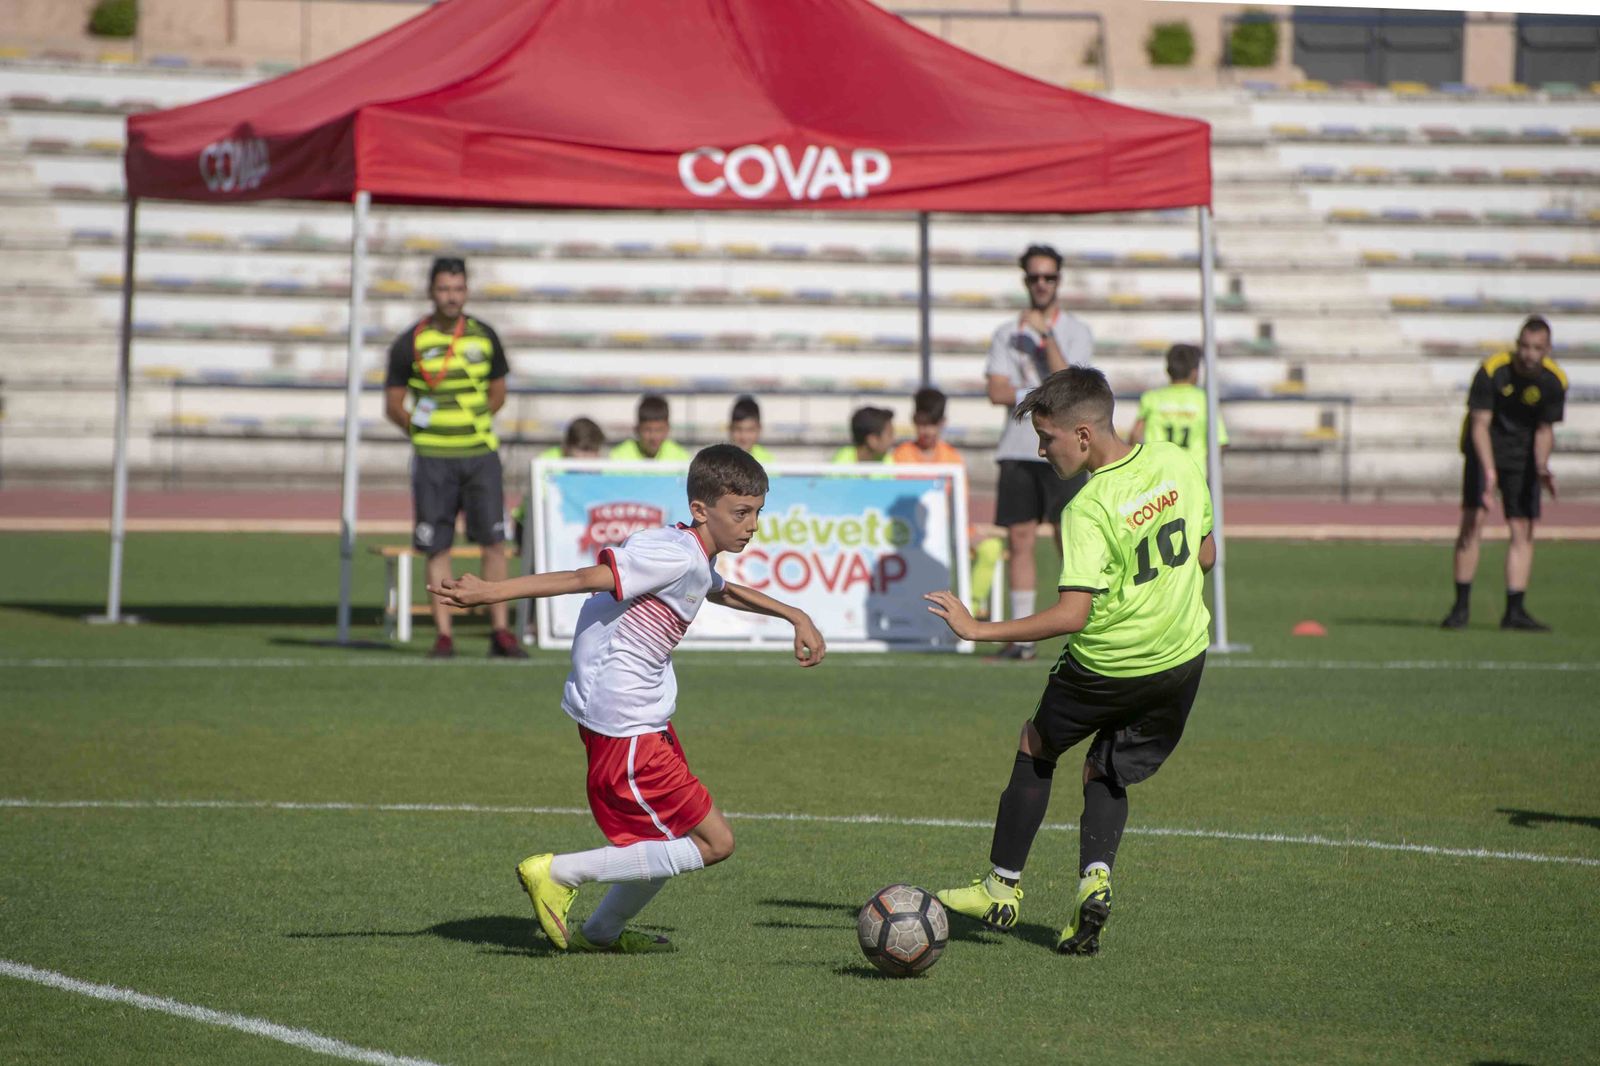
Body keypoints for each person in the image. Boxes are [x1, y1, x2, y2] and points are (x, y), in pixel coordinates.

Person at [427, 445, 826, 953]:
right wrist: (491, 592)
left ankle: (602, 932)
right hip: (625, 720)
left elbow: (717, 588)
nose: (752, 526)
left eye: (757, 513)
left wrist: (796, 614)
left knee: (666, 838)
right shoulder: (672, 553)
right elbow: (582, 579)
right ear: (701, 510)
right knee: (713, 843)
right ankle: (559, 874)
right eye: (741, 513)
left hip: (639, 715)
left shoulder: (690, 555)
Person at [924, 366, 1214, 957]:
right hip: (1182, 659)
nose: (1040, 449)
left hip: (1107, 664)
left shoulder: (1085, 509)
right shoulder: (1176, 463)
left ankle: (1001, 889)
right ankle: (1094, 880)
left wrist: (980, 628)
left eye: (1047, 437)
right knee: (1106, 766)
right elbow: (1205, 554)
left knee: (1037, 745)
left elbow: (1072, 615)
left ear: (1083, 435)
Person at [383, 255, 525, 660]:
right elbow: (393, 403)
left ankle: (500, 632)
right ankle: (444, 636)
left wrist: (469, 424)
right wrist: (425, 432)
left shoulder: (484, 336)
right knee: (437, 546)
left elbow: (498, 393)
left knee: (494, 544)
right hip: (432, 460)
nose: (451, 297)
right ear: (431, 291)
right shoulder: (411, 340)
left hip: (480, 455)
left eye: (458, 289)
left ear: (466, 291)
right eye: (444, 289)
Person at [985, 243, 1094, 662]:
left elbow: (1071, 384)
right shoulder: (1005, 332)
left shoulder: (1075, 330)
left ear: (1059, 281)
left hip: (1065, 449)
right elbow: (995, 391)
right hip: (1017, 448)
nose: (1042, 284)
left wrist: (1044, 336)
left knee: (1072, 541)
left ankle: (1085, 625)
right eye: (1034, 277)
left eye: (1049, 277)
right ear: (1025, 280)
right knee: (1020, 538)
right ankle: (1024, 638)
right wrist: (1044, 391)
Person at [1443, 316, 1566, 632]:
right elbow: (1479, 424)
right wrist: (1488, 470)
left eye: (1536, 348)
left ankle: (1514, 611)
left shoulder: (1554, 382)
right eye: (1524, 346)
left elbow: (1544, 429)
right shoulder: (1492, 371)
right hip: (1483, 448)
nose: (1528, 354)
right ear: (1517, 344)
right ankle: (1460, 608)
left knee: (1522, 529)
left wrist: (1541, 466)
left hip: (1522, 456)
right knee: (1474, 522)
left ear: (1547, 349)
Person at [892, 387, 1005, 616]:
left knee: (991, 547)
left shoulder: (952, 457)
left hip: (948, 529)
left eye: (932, 424)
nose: (927, 431)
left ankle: (968, 610)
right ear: (914, 421)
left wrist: (966, 532)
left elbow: (958, 504)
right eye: (922, 424)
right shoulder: (901, 456)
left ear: (943, 423)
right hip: (912, 531)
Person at [1130, 343, 1229, 470]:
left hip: (1159, 473)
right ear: (1195, 372)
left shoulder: (1151, 398)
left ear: (1168, 370)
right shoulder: (1204, 400)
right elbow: (1219, 442)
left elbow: (1135, 435)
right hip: (1193, 473)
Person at [610, 394, 691, 461]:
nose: (653, 437)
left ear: (667, 429)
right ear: (637, 429)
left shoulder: (681, 458)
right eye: (647, 430)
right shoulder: (618, 457)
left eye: (659, 430)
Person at [831, 406, 895, 464]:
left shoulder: (886, 460)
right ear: (872, 440)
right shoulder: (842, 461)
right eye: (889, 435)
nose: (892, 440)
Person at [728, 395, 776, 465]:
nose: (744, 436)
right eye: (738, 429)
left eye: (750, 430)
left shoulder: (768, 461)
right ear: (730, 428)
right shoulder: (720, 460)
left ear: (759, 429)